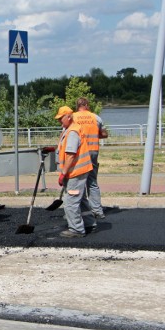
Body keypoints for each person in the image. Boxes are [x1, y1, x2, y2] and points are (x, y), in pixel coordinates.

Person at [55, 106, 96, 237]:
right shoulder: (70, 130)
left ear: (68, 117)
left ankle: (77, 229)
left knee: (70, 202)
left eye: (61, 119)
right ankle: (89, 223)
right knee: (81, 199)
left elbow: (71, 154)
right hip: (80, 170)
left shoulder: (72, 132)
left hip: (75, 172)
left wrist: (63, 173)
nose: (59, 122)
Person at [73, 97, 109, 219]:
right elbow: (104, 134)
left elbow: (68, 135)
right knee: (92, 181)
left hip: (79, 153)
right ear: (87, 105)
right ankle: (97, 210)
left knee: (78, 182)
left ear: (77, 106)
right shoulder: (96, 117)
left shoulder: (72, 118)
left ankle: (81, 210)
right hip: (93, 151)